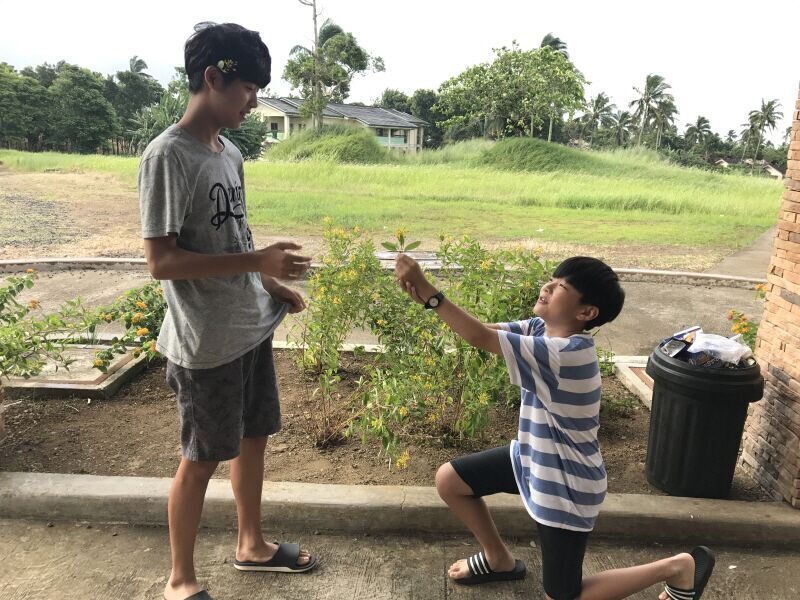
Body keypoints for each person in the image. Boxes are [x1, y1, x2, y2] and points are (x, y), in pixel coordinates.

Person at [394, 254, 715, 600]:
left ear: (586, 312)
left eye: (560, 286)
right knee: (451, 481)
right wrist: (430, 300)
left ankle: (677, 567)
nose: (546, 287)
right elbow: (485, 331)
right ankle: (498, 559)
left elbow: (479, 337)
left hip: (565, 487)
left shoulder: (564, 354)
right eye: (551, 279)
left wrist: (432, 294)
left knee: (563, 597)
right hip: (534, 459)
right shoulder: (540, 329)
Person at [138, 22, 316, 600]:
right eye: (249, 89)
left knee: (254, 437)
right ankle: (180, 579)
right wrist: (257, 259)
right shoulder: (168, 156)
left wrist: (267, 280)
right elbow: (162, 261)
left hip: (247, 328)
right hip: (205, 343)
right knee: (201, 459)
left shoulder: (229, 152)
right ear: (213, 78)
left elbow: (234, 237)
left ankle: (251, 544)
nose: (255, 101)